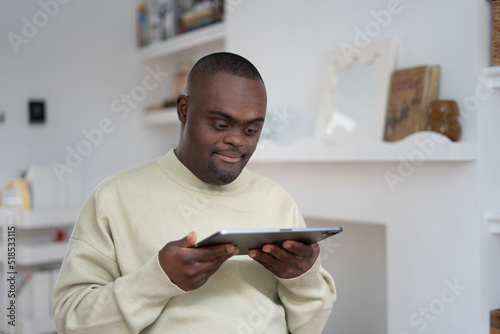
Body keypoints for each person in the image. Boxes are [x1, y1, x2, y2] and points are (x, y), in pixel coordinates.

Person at [51, 52, 336, 333]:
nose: (237, 140)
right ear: (184, 110)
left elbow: (308, 328)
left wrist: (303, 279)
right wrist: (158, 280)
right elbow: (72, 321)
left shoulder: (278, 200)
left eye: (250, 130)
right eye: (221, 124)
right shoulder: (113, 198)